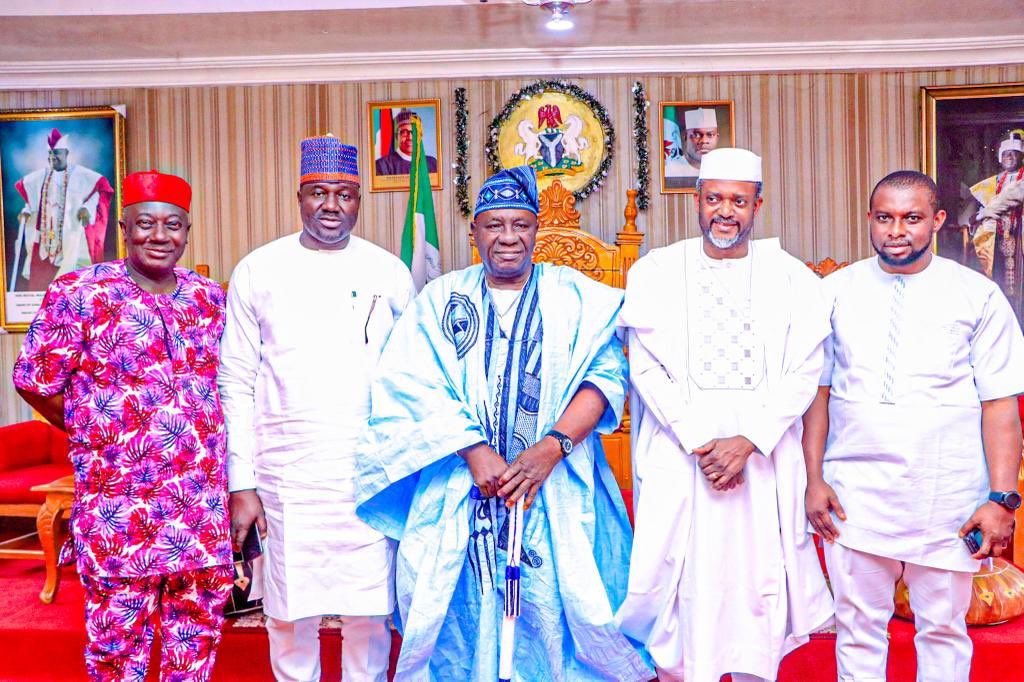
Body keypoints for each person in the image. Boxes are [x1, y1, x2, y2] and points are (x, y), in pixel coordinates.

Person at [354, 165, 652, 681]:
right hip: (459, 487)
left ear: (536, 230)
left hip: (558, 487)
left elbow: (605, 377)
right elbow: (410, 383)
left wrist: (549, 449)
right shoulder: (440, 299)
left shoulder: (577, 296)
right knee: (456, 611)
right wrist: (474, 450)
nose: (508, 237)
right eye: (494, 225)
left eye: (520, 224)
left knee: (562, 605)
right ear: (475, 233)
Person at [617, 147, 834, 682]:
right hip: (680, 451)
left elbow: (805, 373)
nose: (725, 211)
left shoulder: (793, 279)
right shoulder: (655, 272)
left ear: (758, 204)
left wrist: (749, 441)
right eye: (714, 198)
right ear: (697, 201)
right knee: (681, 577)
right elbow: (645, 369)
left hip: (762, 454)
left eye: (738, 200)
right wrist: (701, 441)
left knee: (757, 576)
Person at [803, 170, 1024, 682]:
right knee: (857, 631)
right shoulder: (833, 291)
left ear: (938, 221)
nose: (896, 230)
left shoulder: (977, 295)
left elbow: (1000, 406)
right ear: (869, 221)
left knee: (944, 633)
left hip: (946, 497)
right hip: (854, 495)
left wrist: (1001, 498)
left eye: (911, 218)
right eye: (884, 217)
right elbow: (816, 394)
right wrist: (813, 480)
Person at [12, 170, 233, 681]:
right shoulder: (79, 292)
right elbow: (34, 381)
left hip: (199, 508)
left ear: (188, 230)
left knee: (195, 639)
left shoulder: (210, 299)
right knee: (117, 648)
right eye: (146, 224)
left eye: (173, 225)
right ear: (124, 228)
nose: (160, 236)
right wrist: (97, 432)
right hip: (120, 506)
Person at [219, 135, 416, 682]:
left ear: (360, 200)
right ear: (299, 195)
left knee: (370, 613)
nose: (332, 205)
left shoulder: (389, 272)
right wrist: (242, 481)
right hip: (287, 475)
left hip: (368, 470)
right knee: (287, 613)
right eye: (319, 192)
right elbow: (234, 380)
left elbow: (409, 381)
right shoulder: (258, 270)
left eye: (346, 193)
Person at [12, 128, 114, 292]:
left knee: (72, 281)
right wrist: (26, 210)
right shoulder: (41, 176)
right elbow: (32, 201)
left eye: (57, 153)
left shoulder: (81, 174)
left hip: (70, 233)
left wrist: (86, 208)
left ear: (66, 153)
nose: (53, 157)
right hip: (45, 239)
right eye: (51, 154)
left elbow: (98, 191)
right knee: (41, 284)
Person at [968, 131, 1024, 317]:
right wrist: (978, 217)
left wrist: (982, 214)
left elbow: (1008, 201)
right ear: (1000, 158)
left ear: (1021, 156)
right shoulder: (992, 183)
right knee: (998, 281)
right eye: (1006, 153)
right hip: (998, 239)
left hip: (1020, 237)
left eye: (1014, 153)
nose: (1010, 156)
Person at [665, 108, 720, 189]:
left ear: (717, 138)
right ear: (685, 138)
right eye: (696, 135)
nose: (704, 141)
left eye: (710, 135)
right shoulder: (670, 171)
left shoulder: (726, 170)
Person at [375, 109, 438, 176]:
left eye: (414, 132)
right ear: (397, 136)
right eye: (404, 132)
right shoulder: (382, 166)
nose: (410, 137)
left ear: (420, 136)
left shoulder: (432, 163)